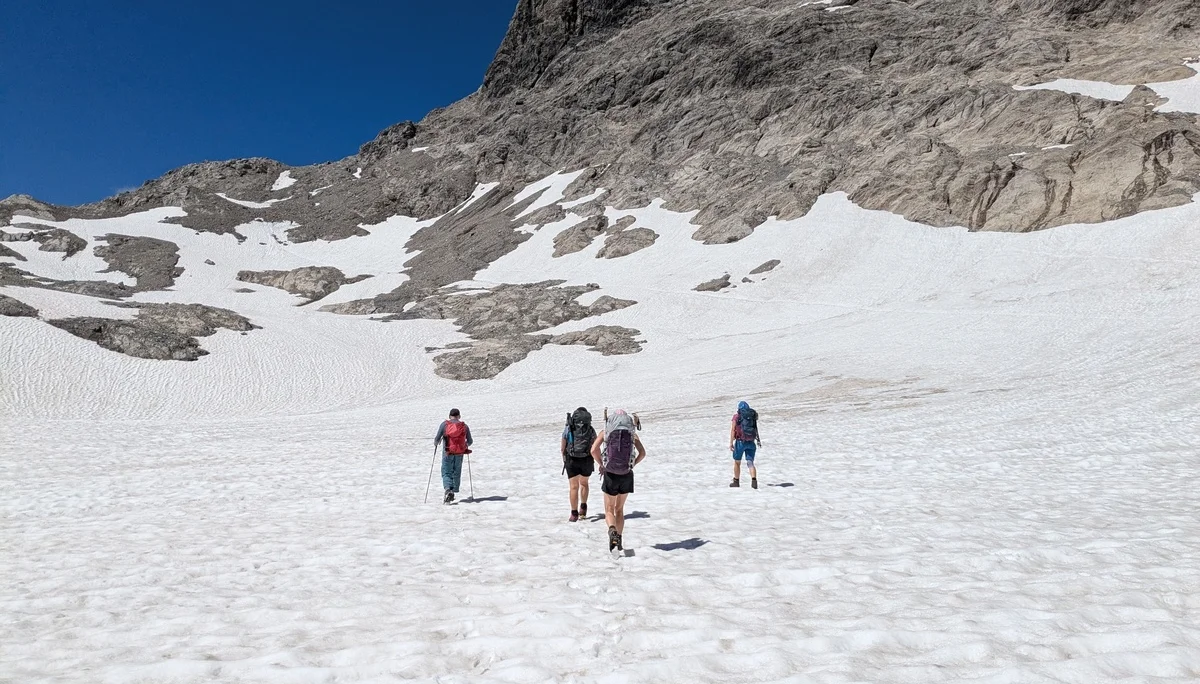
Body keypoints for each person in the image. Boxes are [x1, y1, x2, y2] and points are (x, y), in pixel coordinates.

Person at [591, 408, 646, 552]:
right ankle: (619, 541)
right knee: (619, 509)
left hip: (610, 474)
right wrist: (633, 464)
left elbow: (593, 450)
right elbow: (642, 453)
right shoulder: (632, 434)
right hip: (626, 474)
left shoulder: (606, 432)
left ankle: (612, 531)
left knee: (609, 509)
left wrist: (601, 464)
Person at [562, 407, 597, 522]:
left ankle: (574, 513)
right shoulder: (590, 429)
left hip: (572, 459)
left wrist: (565, 458)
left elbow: (563, 446)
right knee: (584, 483)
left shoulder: (569, 428)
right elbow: (595, 445)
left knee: (573, 487)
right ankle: (583, 507)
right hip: (586, 459)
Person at [434, 408, 473, 503]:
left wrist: (436, 443)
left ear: (449, 416)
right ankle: (453, 490)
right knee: (456, 472)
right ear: (459, 416)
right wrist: (465, 445)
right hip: (459, 453)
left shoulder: (444, 425)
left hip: (447, 453)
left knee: (446, 472)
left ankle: (448, 490)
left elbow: (437, 439)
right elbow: (470, 441)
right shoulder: (464, 426)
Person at [729, 400, 761, 488]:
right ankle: (754, 480)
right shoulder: (751, 416)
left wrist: (731, 442)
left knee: (737, 462)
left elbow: (733, 430)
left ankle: (736, 481)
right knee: (750, 462)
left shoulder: (736, 417)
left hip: (740, 442)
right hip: (751, 441)